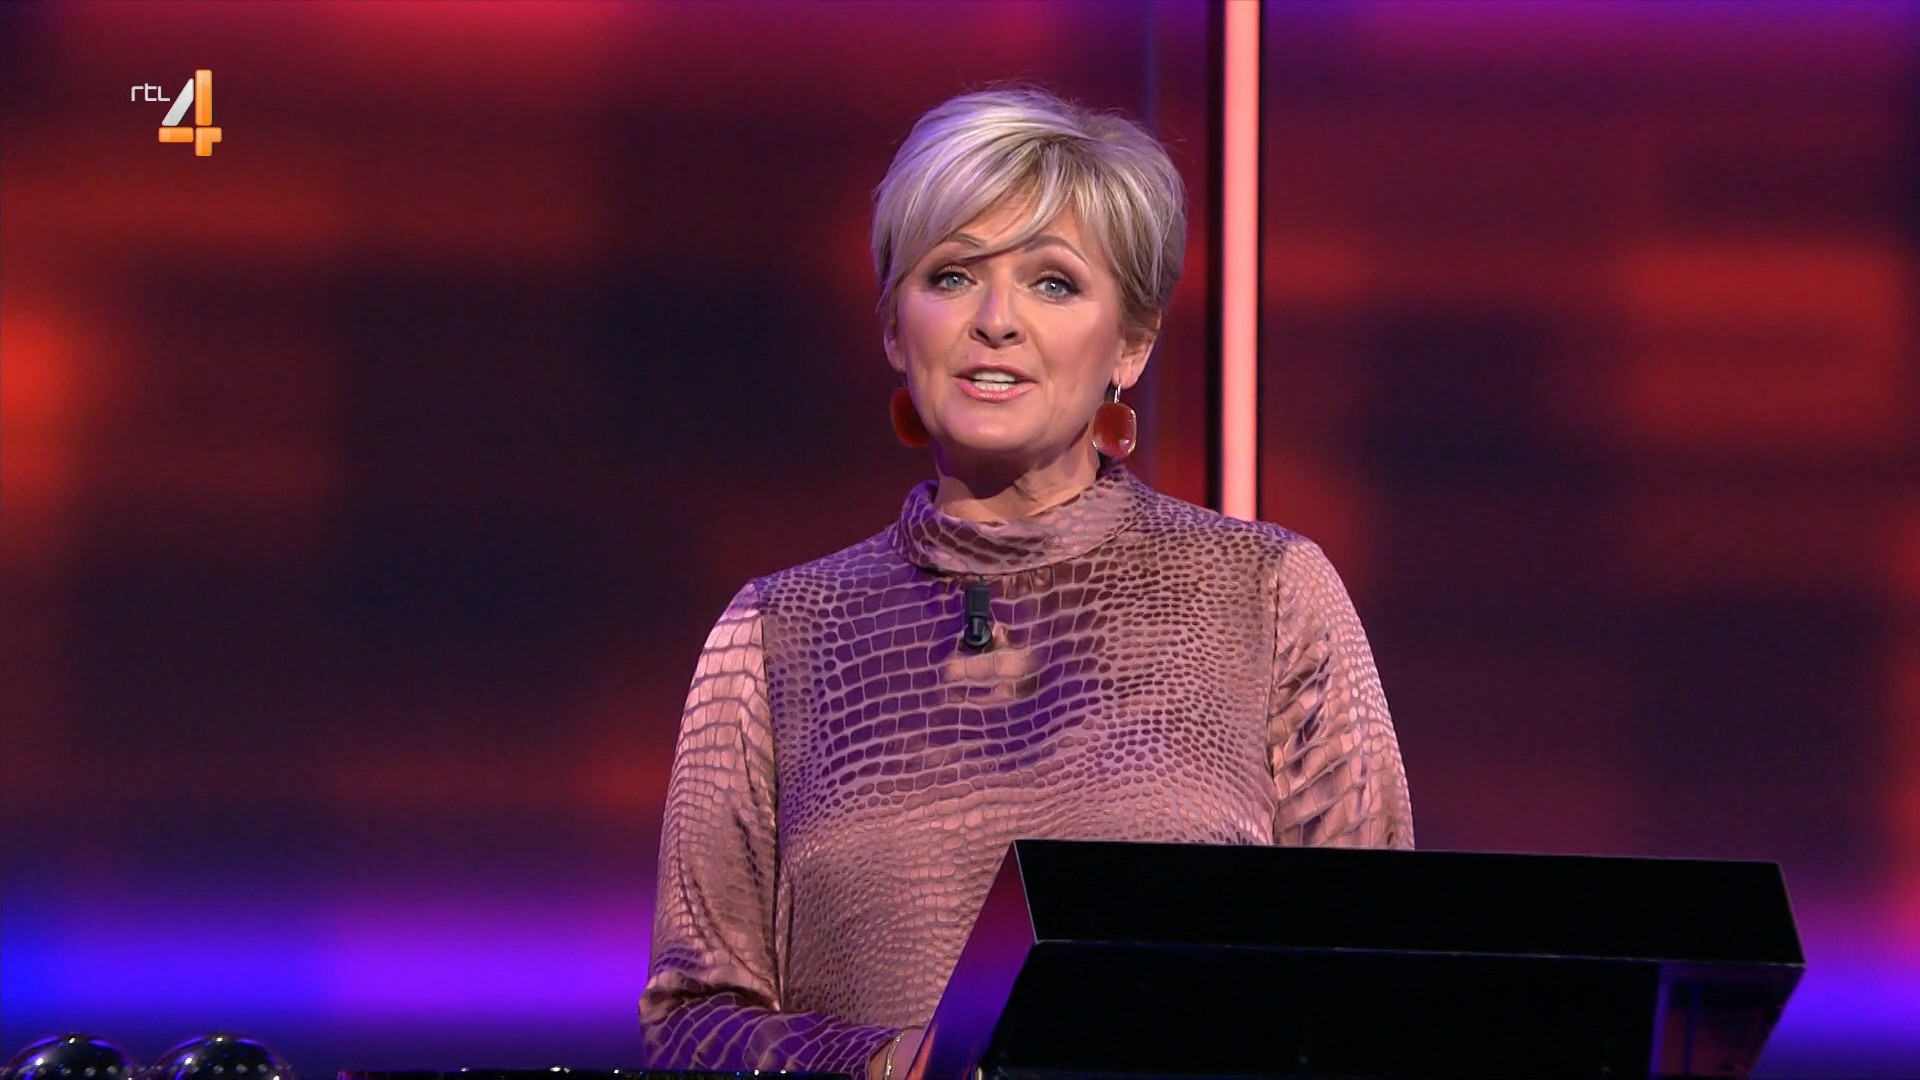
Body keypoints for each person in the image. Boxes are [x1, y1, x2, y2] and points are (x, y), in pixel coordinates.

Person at [638, 86, 1413, 1080]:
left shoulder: (1268, 594)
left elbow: (1378, 986)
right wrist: (902, 1067)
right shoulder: (776, 631)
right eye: (952, 275)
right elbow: (691, 1026)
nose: (996, 321)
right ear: (894, 327)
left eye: (1053, 283)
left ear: (1131, 344)